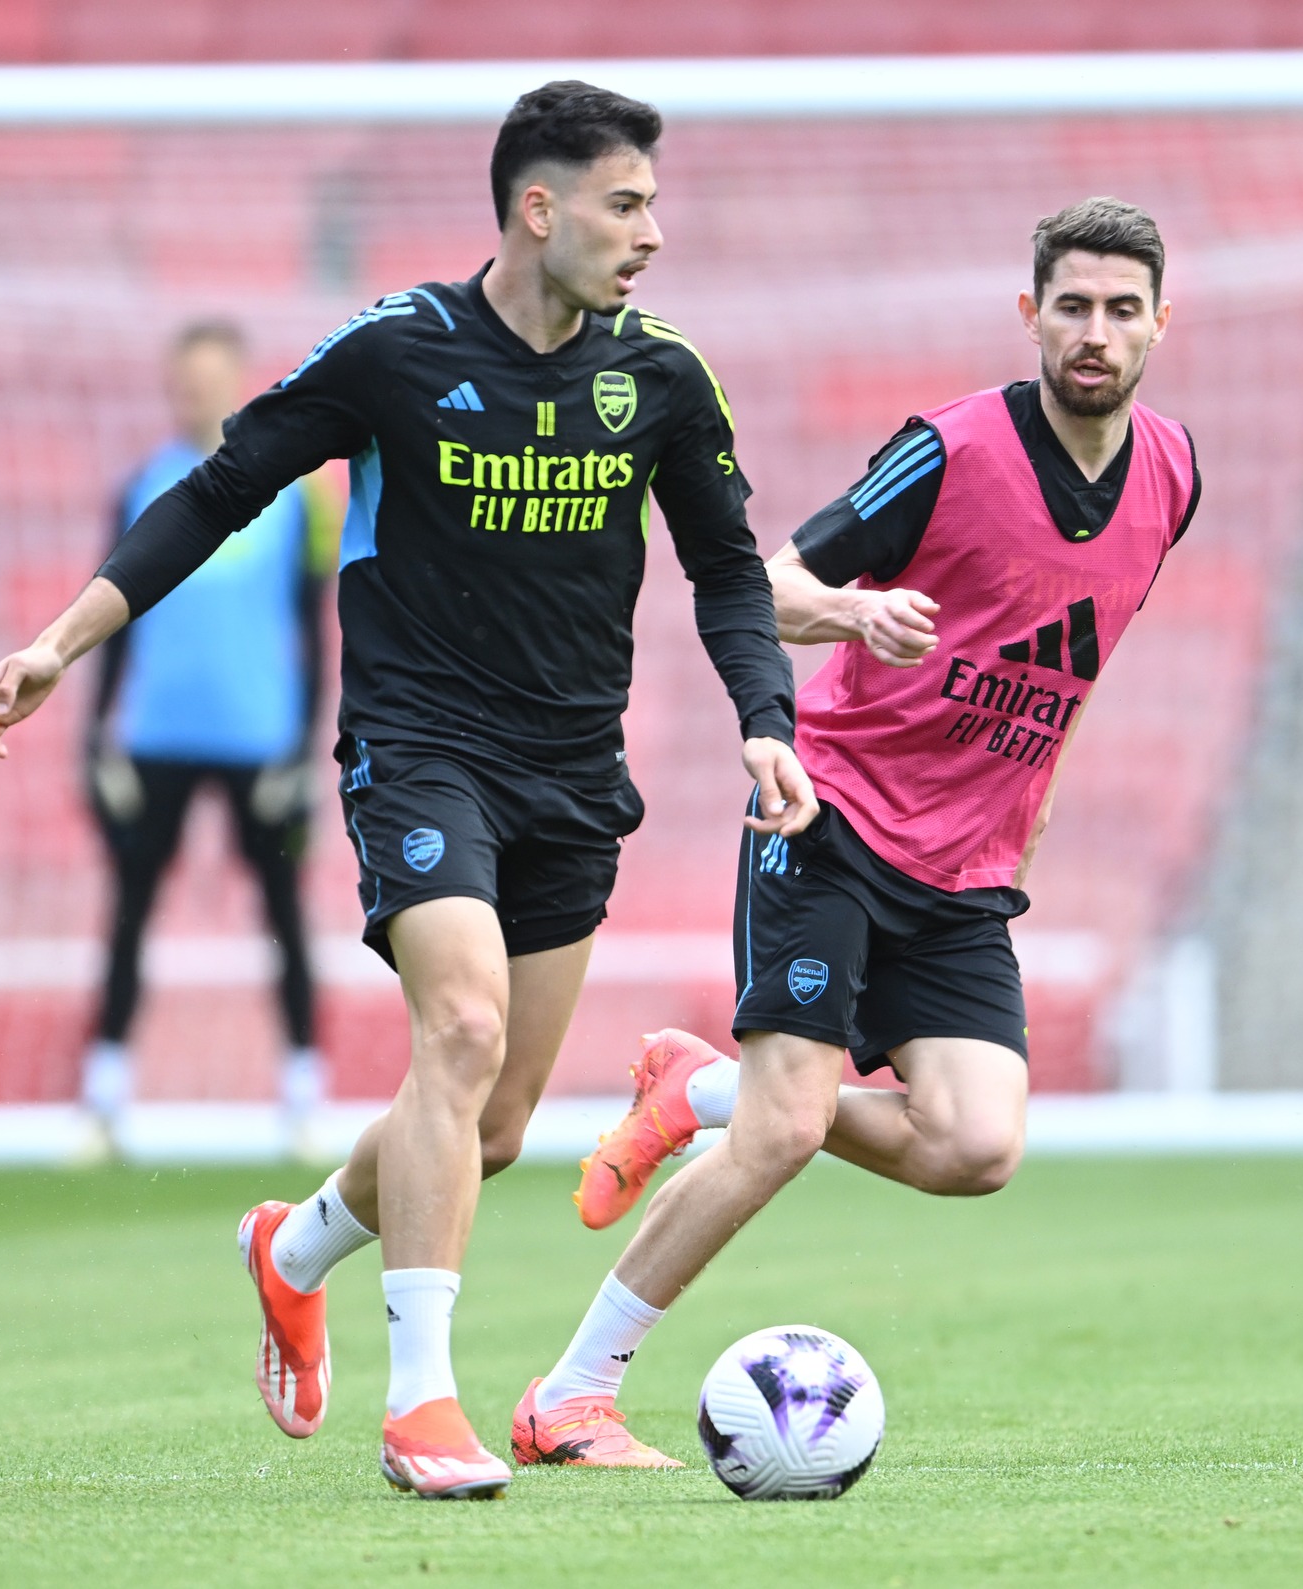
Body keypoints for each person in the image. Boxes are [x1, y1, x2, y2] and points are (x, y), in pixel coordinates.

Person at [0, 81, 814, 1500]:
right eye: (627, 203)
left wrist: (764, 723)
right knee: (458, 1026)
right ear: (540, 210)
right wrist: (61, 641)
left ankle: (291, 1252)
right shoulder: (396, 353)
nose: (653, 232)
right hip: (417, 745)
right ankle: (425, 1405)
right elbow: (220, 487)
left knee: (486, 1123)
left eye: (653, 203)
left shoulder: (660, 375)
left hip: (570, 770)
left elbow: (726, 565)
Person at [513, 197, 1200, 1468]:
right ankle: (569, 1394)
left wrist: (1025, 819)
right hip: (827, 817)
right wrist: (853, 611)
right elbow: (754, 584)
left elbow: (1073, 665)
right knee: (781, 1131)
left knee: (975, 1145)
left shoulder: (1173, 473)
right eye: (1070, 306)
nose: (1093, 332)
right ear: (1029, 314)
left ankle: (697, 1087)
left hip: (966, 867)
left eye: (1119, 309)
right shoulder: (948, 448)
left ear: (1160, 321)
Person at [79, 320, 337, 1138]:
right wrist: (97, 738)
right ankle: (105, 1094)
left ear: (239, 382)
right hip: (154, 737)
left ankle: (303, 1090)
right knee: (128, 912)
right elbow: (109, 618)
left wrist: (304, 748)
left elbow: (315, 628)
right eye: (184, 376)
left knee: (284, 914)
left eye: (211, 375)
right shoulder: (138, 488)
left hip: (260, 742)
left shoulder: (297, 497)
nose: (196, 390)